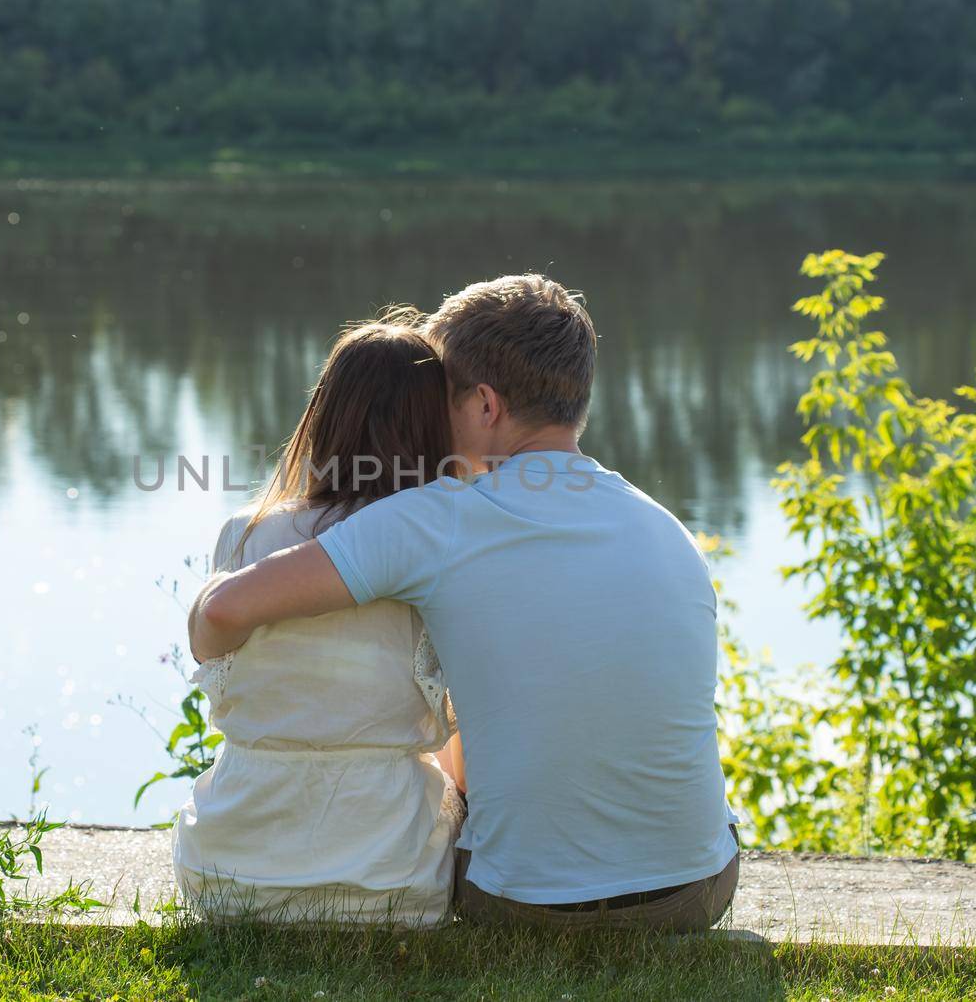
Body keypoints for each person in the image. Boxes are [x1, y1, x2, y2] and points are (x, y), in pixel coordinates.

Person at [190, 274, 738, 930]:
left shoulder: (439, 518)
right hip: (696, 891)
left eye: (438, 396)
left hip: (525, 906)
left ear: (484, 405)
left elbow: (228, 607)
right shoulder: (665, 528)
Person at [172, 316, 465, 927]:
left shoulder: (247, 534)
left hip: (232, 874)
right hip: (392, 878)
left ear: (324, 415)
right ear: (435, 427)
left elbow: (208, 656)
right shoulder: (441, 541)